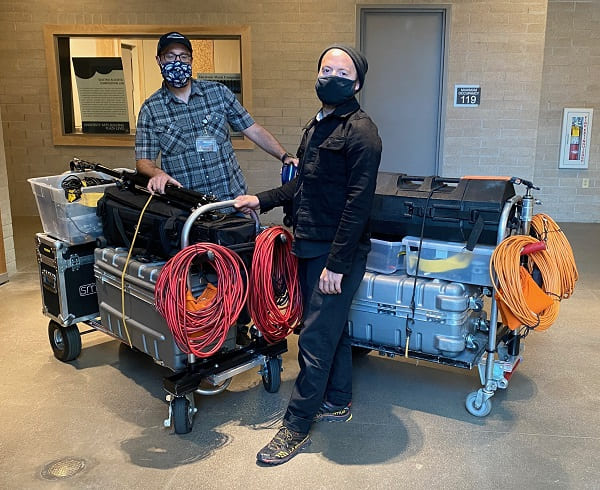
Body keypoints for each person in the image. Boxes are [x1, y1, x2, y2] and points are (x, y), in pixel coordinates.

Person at [234, 44, 382, 465]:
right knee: (331, 329)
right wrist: (259, 200)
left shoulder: (362, 132)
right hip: (309, 242)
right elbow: (304, 187)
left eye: (341, 71)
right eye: (325, 68)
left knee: (315, 339)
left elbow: (358, 205)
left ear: (356, 83)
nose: (331, 76)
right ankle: (337, 399)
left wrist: (337, 264)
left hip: (337, 253)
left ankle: (295, 428)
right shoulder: (317, 126)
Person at [135, 31, 297, 197]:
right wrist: (158, 174)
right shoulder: (151, 109)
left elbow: (253, 129)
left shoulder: (218, 92)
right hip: (186, 207)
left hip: (232, 201)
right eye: (170, 56)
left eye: (183, 57)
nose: (178, 62)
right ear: (159, 60)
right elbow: (144, 160)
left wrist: (284, 156)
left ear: (191, 60)